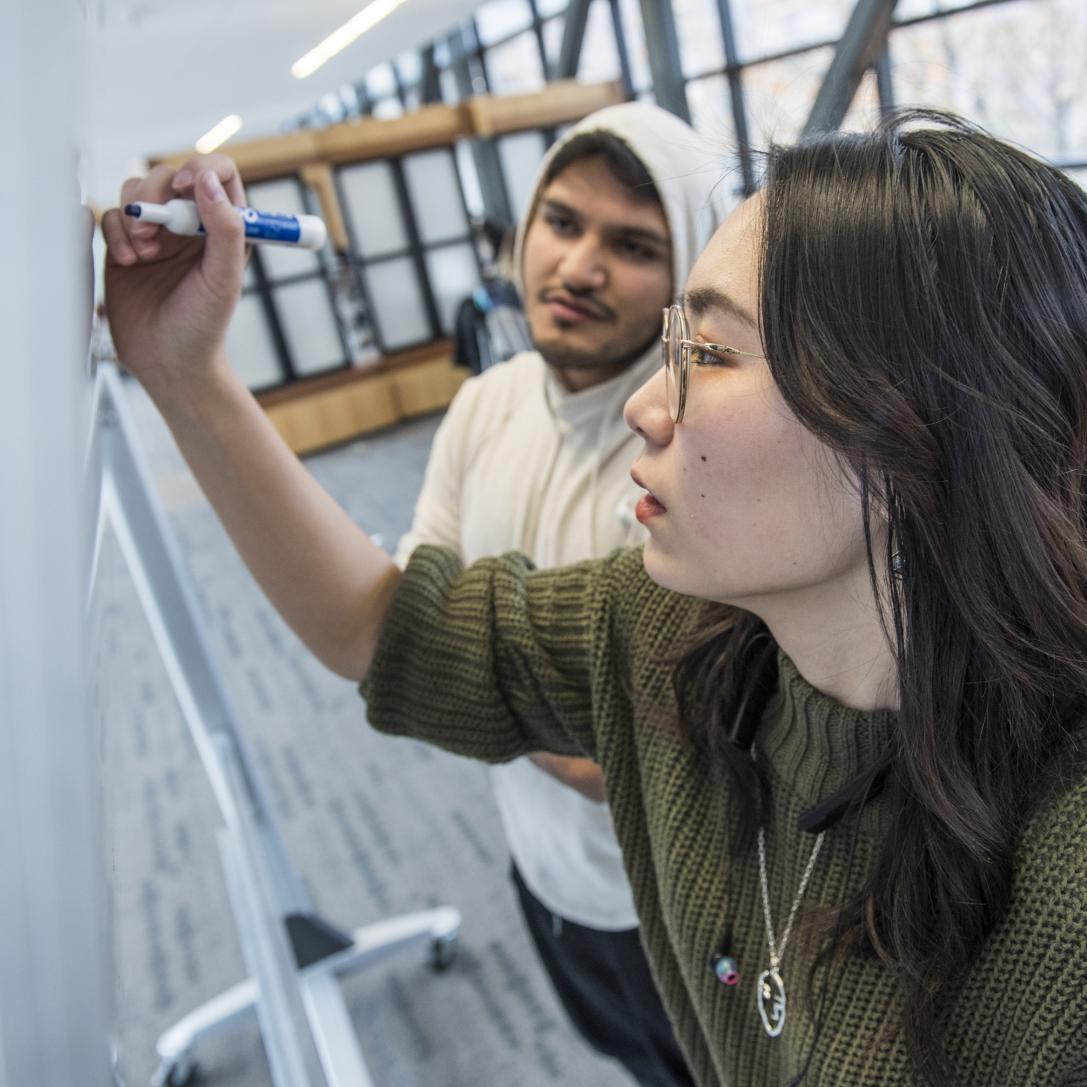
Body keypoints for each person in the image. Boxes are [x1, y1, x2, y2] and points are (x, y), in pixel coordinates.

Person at [102, 110, 1087, 1087]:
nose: (645, 405)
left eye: (707, 353)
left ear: (915, 428)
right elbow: (383, 626)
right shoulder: (668, 631)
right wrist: (184, 368)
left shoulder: (1061, 892)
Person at [397, 102, 722, 1087]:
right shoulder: (483, 402)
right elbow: (420, 599)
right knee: (619, 1054)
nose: (578, 266)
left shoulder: (695, 454)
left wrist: (451, 673)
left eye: (630, 244)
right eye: (562, 221)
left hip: (677, 908)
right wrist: (446, 663)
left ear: (685, 278)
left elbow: (609, 755)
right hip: (543, 871)